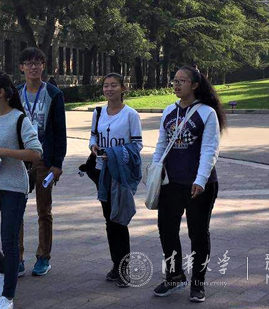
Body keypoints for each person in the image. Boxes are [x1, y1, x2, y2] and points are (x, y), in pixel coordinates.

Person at [152, 65, 225, 303]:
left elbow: (210, 149)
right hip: (171, 183)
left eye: (181, 81)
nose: (176, 84)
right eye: (174, 80)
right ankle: (174, 276)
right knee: (167, 230)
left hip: (199, 185)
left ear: (194, 85)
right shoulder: (169, 111)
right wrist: (155, 170)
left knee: (198, 234)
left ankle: (198, 283)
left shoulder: (206, 113)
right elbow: (161, 144)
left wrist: (200, 180)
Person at [0, 71, 42, 309]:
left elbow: (36, 153)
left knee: (9, 241)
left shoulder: (19, 119)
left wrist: (3, 152)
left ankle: (7, 296)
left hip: (13, 188)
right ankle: (4, 270)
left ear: (0, 92)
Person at [88, 73, 143, 287]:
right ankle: (115, 264)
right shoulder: (98, 112)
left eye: (113, 85)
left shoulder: (131, 115)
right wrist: (94, 146)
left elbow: (137, 145)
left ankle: (124, 268)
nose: (109, 89)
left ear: (123, 88)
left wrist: (115, 153)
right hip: (101, 172)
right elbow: (93, 136)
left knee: (119, 219)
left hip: (119, 174)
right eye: (106, 86)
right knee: (109, 220)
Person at [16, 47, 67, 277]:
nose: (33, 67)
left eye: (38, 62)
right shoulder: (16, 94)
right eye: (29, 63)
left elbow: (60, 131)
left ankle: (43, 257)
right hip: (20, 160)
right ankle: (17, 258)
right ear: (22, 67)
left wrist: (57, 164)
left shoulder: (54, 94)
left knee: (43, 211)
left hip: (44, 160)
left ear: (43, 66)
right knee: (16, 209)